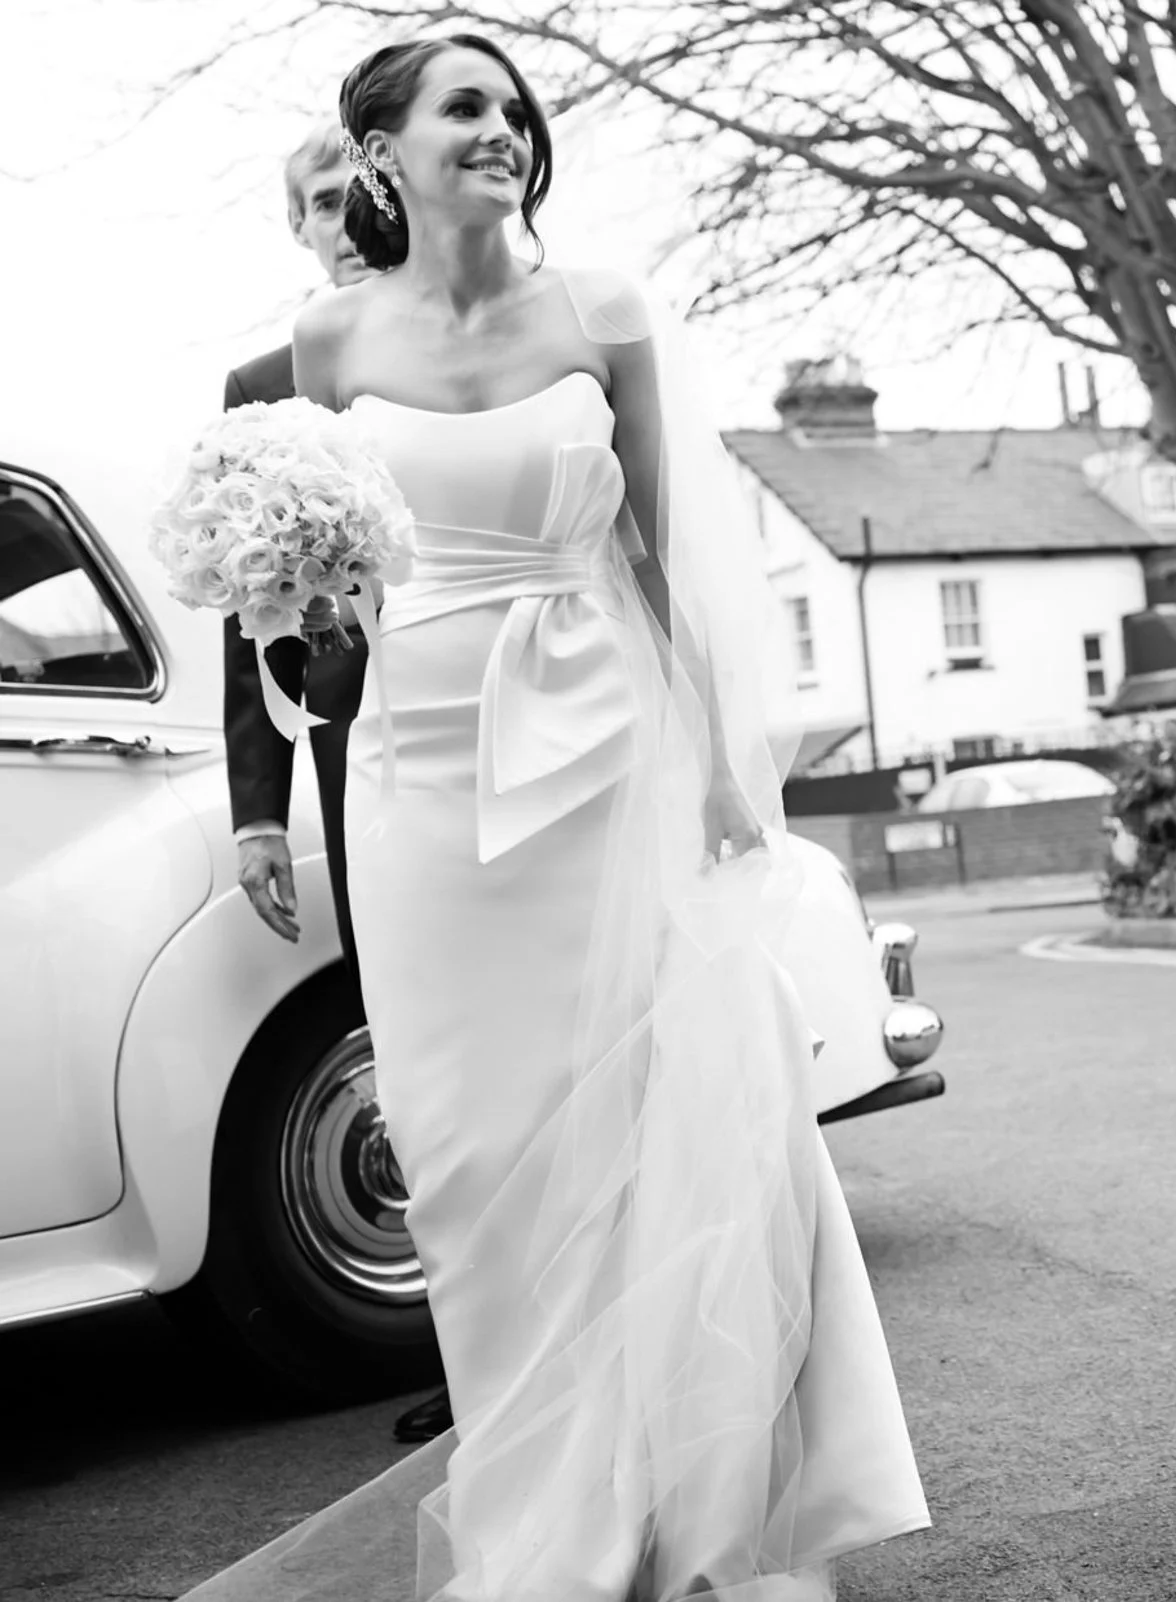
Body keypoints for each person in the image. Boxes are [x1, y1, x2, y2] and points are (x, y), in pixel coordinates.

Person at [181, 33, 926, 1602]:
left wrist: (723, 769)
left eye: (519, 110)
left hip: (604, 755)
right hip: (414, 788)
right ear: (375, 148)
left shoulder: (609, 314)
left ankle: (697, 1500)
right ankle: (545, 1517)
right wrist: (289, 607)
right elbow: (308, 615)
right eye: (466, 107)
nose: (506, 129)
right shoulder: (322, 342)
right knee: (469, 1152)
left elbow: (664, 559)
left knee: (654, 1120)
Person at [223, 125, 456, 1449]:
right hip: (349, 752)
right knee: (410, 1053)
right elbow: (240, 608)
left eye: (347, 191)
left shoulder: (457, 346)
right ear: (298, 223)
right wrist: (262, 807)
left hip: (481, 711)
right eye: (312, 199)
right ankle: (461, 1339)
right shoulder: (265, 382)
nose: (335, 214)